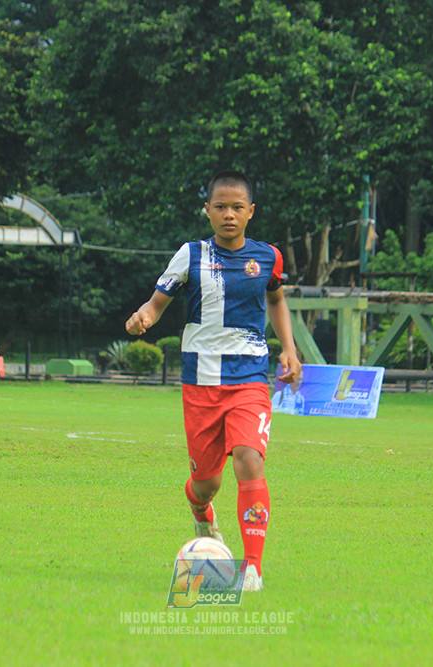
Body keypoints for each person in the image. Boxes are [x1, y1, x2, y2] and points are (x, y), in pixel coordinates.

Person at [125, 170, 302, 592]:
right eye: (220, 207)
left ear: (250, 212)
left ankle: (252, 568)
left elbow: (276, 299)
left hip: (250, 378)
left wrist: (289, 349)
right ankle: (200, 509)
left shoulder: (268, 258)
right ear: (207, 211)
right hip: (200, 382)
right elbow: (156, 303)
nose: (228, 214)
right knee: (207, 483)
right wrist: (144, 317)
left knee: (249, 459)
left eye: (237, 207)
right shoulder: (190, 255)